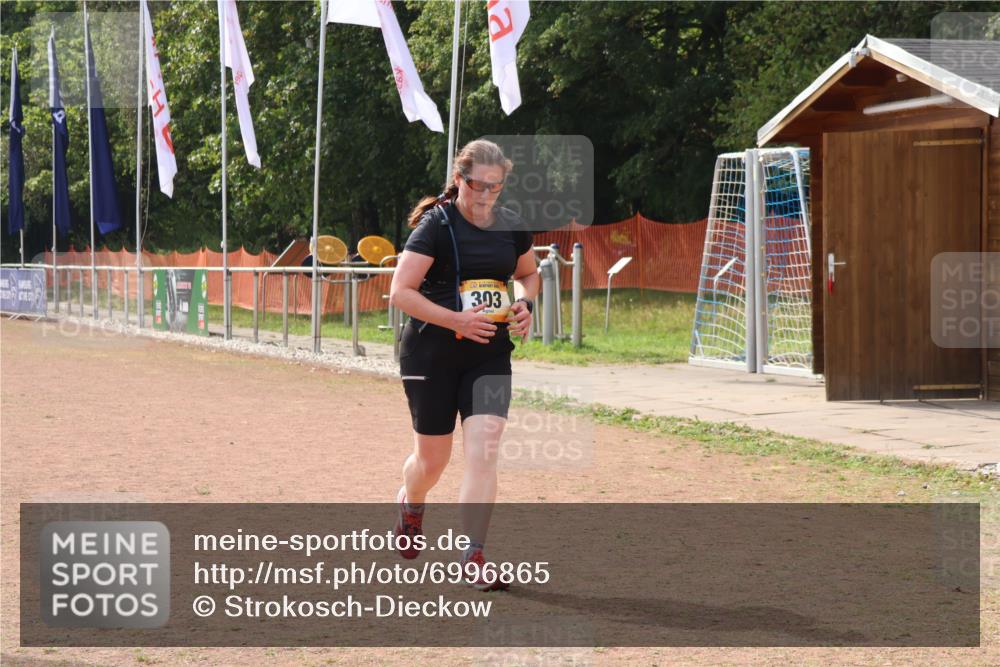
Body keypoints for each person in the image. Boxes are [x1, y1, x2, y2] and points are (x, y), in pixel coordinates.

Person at [388, 139, 539, 592]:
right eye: (477, 186)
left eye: (495, 187)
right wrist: (456, 319)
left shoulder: (511, 226)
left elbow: (528, 273)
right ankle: (412, 503)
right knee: (432, 462)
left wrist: (525, 303)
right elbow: (401, 292)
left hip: (488, 353)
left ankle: (472, 553)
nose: (486, 196)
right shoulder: (435, 226)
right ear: (459, 180)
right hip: (431, 354)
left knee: (484, 450)